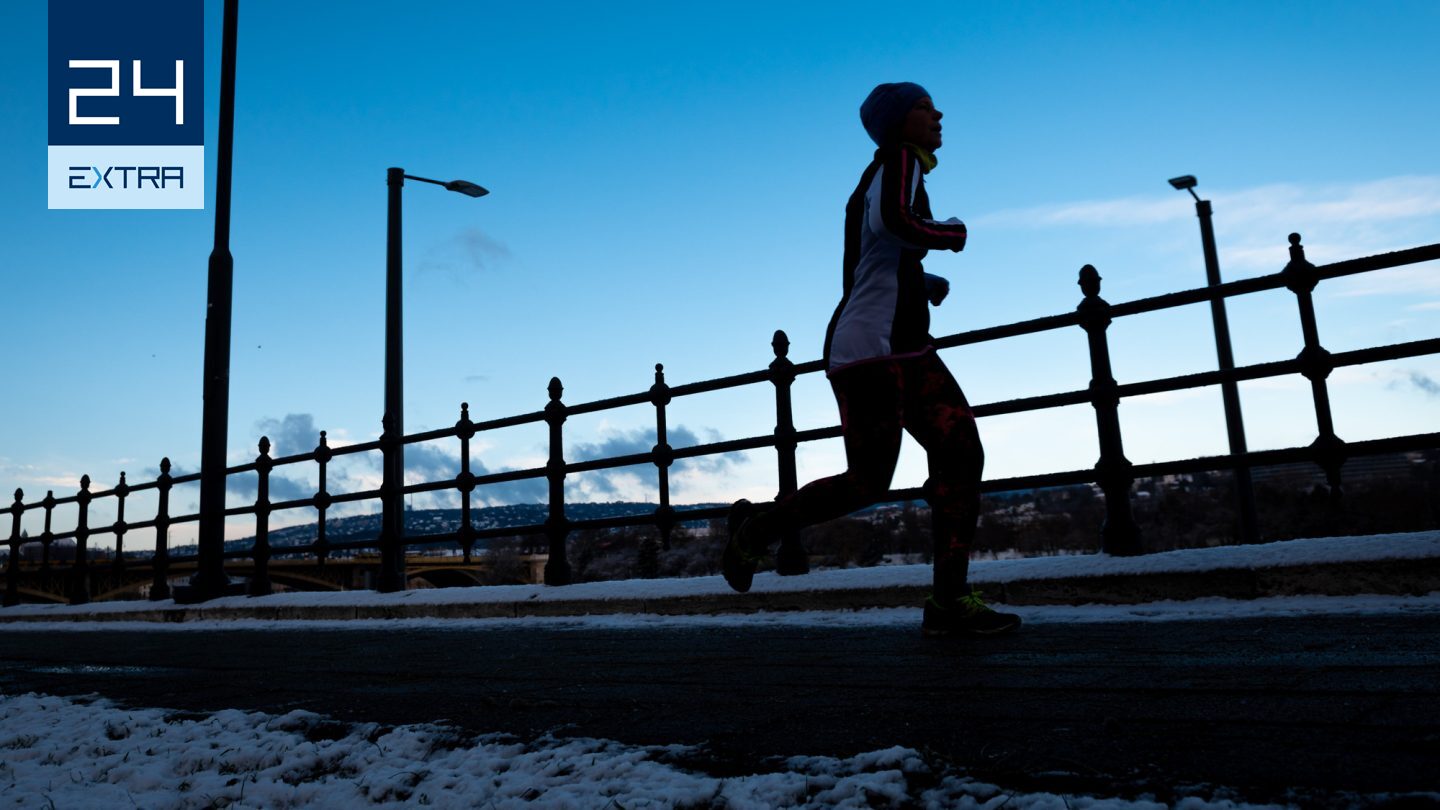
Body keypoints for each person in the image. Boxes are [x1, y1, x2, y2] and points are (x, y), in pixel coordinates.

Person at [722, 82, 1020, 637]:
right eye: (924, 108)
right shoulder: (898, 160)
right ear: (897, 123)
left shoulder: (891, 171)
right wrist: (950, 234)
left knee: (960, 454)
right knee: (869, 480)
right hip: (869, 352)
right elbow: (894, 223)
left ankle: (949, 602)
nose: (938, 114)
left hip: (906, 347)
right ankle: (758, 529)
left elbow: (871, 254)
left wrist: (919, 279)